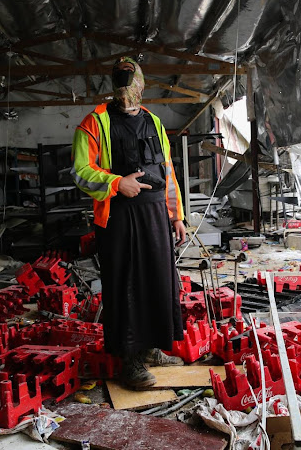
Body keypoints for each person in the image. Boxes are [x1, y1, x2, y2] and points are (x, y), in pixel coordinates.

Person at [71, 57, 187, 389]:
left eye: (131, 78)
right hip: (119, 216)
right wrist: (115, 183)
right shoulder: (94, 123)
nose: (127, 86)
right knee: (127, 287)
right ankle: (130, 363)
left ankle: (151, 349)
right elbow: (80, 172)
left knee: (159, 281)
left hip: (155, 214)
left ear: (141, 83)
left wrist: (176, 215)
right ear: (114, 84)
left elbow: (167, 172)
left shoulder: (154, 122)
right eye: (121, 79)